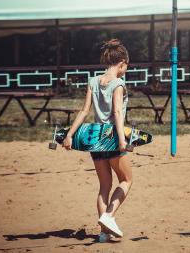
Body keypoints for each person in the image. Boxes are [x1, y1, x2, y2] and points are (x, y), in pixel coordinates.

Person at [62, 39, 132, 242]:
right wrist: (121, 140)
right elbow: (118, 112)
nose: (126, 70)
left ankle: (103, 233)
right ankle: (109, 216)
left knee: (104, 187)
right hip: (111, 137)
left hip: (94, 138)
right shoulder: (118, 84)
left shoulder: (93, 81)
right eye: (126, 66)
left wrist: (69, 135)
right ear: (122, 62)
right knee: (127, 180)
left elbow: (84, 111)